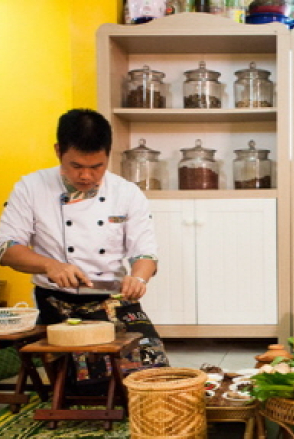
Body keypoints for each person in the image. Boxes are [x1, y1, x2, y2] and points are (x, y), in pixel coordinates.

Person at [0, 108, 168, 388]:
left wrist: (139, 278)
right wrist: (50, 265)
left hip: (114, 300)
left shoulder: (126, 193)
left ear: (108, 156)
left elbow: (145, 253)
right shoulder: (30, 188)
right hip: (56, 303)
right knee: (86, 384)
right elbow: (7, 248)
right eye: (76, 166)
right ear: (58, 151)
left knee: (152, 374)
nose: (87, 176)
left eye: (97, 166)